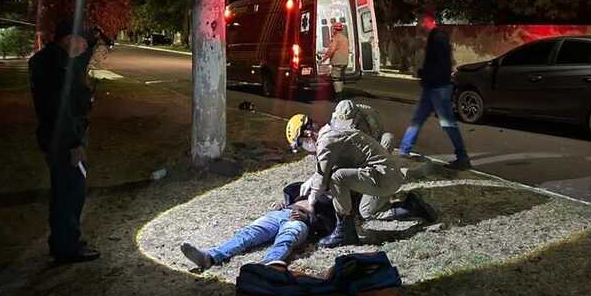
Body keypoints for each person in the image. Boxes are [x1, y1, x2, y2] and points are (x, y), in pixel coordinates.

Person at [287, 113, 437, 249]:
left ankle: (345, 232)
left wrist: (311, 202)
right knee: (366, 210)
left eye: (301, 144)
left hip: (383, 177)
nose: (304, 148)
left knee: (337, 178)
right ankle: (411, 205)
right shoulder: (332, 131)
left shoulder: (326, 141)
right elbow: (327, 169)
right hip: (382, 173)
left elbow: (322, 177)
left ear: (307, 134)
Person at [29, 21, 99, 263]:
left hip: (56, 137)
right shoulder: (56, 66)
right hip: (65, 140)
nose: (84, 49)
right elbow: (59, 109)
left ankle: (64, 243)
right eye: (82, 43)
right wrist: (74, 144)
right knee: (70, 193)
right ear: (69, 39)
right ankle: (67, 247)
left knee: (65, 191)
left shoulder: (50, 60)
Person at [180, 183, 335, 269]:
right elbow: (289, 197)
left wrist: (308, 218)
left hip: (300, 221)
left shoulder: (331, 202)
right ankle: (209, 257)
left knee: (287, 237)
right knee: (248, 234)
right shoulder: (302, 188)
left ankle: (266, 267)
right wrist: (283, 204)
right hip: (280, 214)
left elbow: (328, 228)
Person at [399, 11, 471, 170]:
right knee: (418, 119)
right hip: (432, 86)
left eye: (420, 22)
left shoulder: (438, 37)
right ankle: (404, 150)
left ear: (427, 22)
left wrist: (424, 73)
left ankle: (463, 157)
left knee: (447, 123)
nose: (418, 26)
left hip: (438, 87)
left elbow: (441, 64)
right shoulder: (436, 37)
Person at [321, 21, 349, 100]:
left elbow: (332, 50)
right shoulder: (345, 38)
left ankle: (338, 96)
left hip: (337, 61)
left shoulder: (336, 38)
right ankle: (340, 94)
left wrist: (324, 59)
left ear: (334, 29)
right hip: (345, 61)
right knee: (340, 78)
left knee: (336, 78)